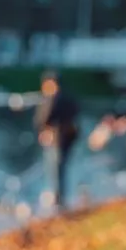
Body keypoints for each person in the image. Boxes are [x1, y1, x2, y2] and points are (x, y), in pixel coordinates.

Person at [33, 69, 80, 211]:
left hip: (56, 140)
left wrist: (43, 129)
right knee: (59, 169)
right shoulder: (68, 98)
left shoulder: (53, 98)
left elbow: (42, 119)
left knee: (55, 170)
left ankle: (57, 202)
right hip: (65, 140)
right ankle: (60, 200)